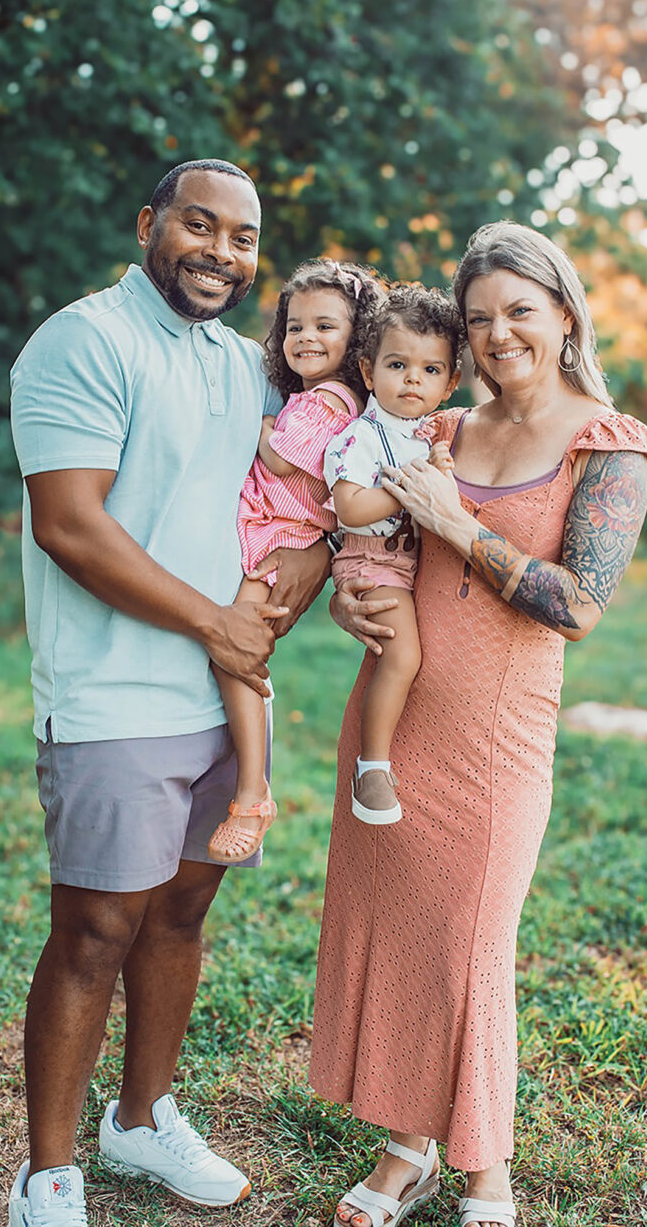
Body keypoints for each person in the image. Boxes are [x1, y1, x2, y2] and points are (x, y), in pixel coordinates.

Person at [311, 221, 647, 1227]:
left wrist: (459, 526)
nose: (500, 333)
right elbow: (371, 535)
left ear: (564, 314)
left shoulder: (609, 444)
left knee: (471, 947)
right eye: (479, 318)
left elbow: (576, 606)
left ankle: (486, 1172)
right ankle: (407, 1149)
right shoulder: (443, 427)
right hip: (392, 728)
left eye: (520, 310)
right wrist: (348, 598)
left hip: (495, 742)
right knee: (405, 934)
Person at [7, 159, 331, 1227]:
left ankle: (140, 1120)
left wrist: (313, 569)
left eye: (243, 238)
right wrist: (215, 623)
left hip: (224, 698)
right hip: (113, 695)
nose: (221, 253)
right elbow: (69, 525)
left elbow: (308, 490)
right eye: (200, 225)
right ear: (150, 223)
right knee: (96, 928)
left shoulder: (247, 366)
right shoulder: (83, 341)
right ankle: (47, 1174)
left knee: (182, 912)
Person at [206, 258, 384, 864]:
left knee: (237, 652)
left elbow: (282, 459)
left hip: (284, 536)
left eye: (325, 327)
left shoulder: (327, 400)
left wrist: (261, 426)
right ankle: (247, 784)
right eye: (295, 326)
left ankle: (253, 794)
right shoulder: (320, 397)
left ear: (358, 339)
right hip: (278, 529)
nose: (306, 338)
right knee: (239, 652)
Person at [323, 286, 463, 825]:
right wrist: (417, 489)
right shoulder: (359, 437)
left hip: (407, 561)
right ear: (368, 370)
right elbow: (351, 507)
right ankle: (373, 767)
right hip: (371, 560)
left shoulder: (428, 436)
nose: (412, 380)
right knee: (402, 657)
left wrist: (438, 473)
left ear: (450, 383)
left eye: (430, 370)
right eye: (398, 365)